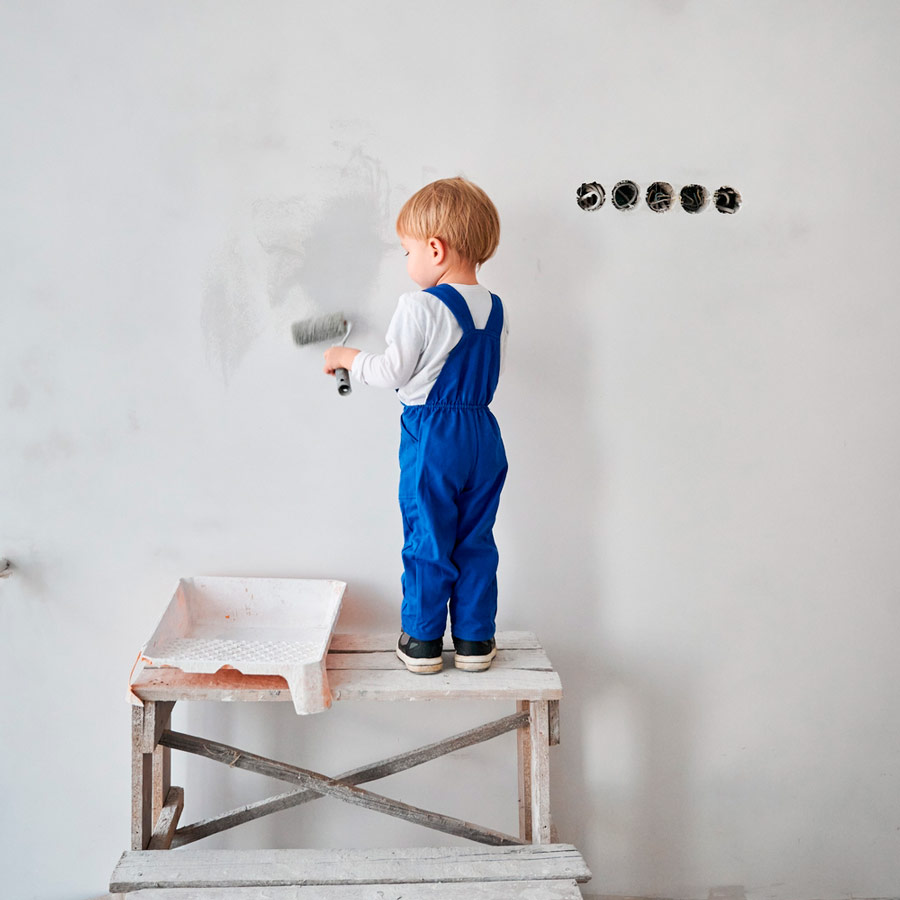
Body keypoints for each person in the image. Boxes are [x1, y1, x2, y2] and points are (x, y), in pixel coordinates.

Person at [323, 177, 508, 675]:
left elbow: (391, 373)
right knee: (475, 538)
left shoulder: (420, 305)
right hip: (484, 435)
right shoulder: (494, 308)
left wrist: (348, 356)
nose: (408, 263)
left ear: (435, 248)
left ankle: (423, 640)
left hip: (434, 434)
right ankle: (474, 640)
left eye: (407, 252)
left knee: (428, 533)